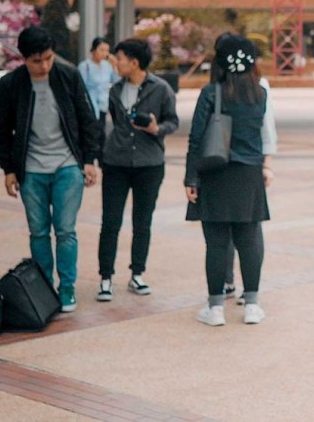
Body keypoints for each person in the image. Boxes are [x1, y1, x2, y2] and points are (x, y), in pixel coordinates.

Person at [0, 25, 100, 312]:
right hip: (31, 170)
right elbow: (2, 132)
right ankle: (43, 287)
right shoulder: (11, 84)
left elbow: (87, 119)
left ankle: (67, 288)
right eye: (36, 61)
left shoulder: (68, 77)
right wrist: (9, 170)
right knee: (38, 232)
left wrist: (89, 160)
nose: (44, 66)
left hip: (67, 166)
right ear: (24, 58)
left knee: (65, 231)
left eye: (49, 58)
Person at [185, 35, 274, 326]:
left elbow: (196, 138)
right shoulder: (260, 95)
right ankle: (251, 305)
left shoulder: (211, 92)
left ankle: (215, 309)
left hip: (216, 175)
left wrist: (191, 177)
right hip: (249, 176)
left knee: (217, 244)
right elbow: (261, 137)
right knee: (249, 242)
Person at [96, 38, 179, 301]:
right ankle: (106, 277)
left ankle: (137, 274)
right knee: (110, 222)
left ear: (134, 62)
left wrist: (157, 129)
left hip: (149, 164)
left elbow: (172, 121)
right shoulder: (114, 90)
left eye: (118, 58)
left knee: (142, 222)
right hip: (116, 163)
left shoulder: (161, 89)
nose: (115, 63)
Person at [78, 37, 119, 153]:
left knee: (101, 133)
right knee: (95, 133)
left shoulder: (107, 66)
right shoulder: (85, 66)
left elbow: (117, 81)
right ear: (94, 50)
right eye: (101, 50)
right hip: (90, 104)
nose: (104, 53)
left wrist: (116, 66)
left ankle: (100, 159)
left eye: (107, 50)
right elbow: (81, 87)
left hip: (103, 104)